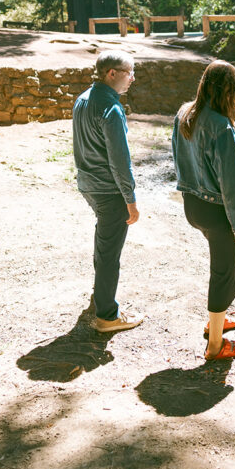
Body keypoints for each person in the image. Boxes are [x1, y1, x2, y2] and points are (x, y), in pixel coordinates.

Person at [172, 60, 235, 361]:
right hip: (218, 212)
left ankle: (218, 318)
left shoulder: (184, 113)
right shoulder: (222, 128)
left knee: (228, 264)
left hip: (193, 206)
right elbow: (231, 185)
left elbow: (178, 157)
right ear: (230, 91)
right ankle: (215, 345)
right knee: (223, 271)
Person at [73, 50, 142, 332]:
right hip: (108, 191)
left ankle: (100, 297)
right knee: (109, 252)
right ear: (111, 73)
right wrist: (131, 199)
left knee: (104, 243)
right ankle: (107, 316)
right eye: (128, 73)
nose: (132, 79)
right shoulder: (111, 109)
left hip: (88, 185)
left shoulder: (83, 98)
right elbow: (120, 162)